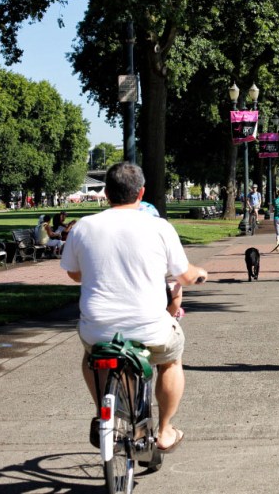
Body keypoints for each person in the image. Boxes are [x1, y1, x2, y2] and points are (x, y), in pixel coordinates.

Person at [60, 162, 208, 453]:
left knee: (91, 355)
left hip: (98, 328)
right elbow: (185, 275)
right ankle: (165, 430)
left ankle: (106, 416)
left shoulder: (84, 227)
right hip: (149, 327)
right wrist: (200, 273)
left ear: (106, 193)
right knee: (171, 359)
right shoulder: (158, 226)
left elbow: (73, 274)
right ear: (141, 192)